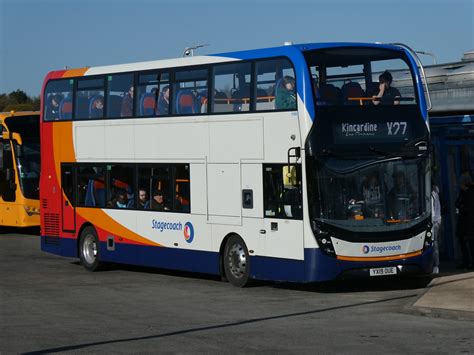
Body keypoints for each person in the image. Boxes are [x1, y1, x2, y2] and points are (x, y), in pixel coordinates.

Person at [455, 171, 474, 269]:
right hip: (463, 222)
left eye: (461, 183)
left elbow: (468, 207)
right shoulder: (463, 193)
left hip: (469, 222)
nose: (460, 185)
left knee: (471, 242)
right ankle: (466, 261)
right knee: (462, 241)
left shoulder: (470, 192)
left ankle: (471, 262)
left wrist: (461, 207)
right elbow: (457, 203)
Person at [431, 183, 442, 274]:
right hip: (435, 220)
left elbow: (433, 210)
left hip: (434, 221)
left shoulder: (433, 194)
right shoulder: (434, 193)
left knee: (434, 243)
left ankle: (436, 265)